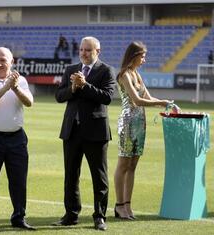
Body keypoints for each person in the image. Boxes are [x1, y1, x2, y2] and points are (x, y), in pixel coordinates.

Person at [53, 36, 116, 231]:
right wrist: (73, 87)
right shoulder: (71, 69)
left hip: (96, 132)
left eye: (88, 50)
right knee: (71, 175)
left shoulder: (106, 70)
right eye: (81, 49)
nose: (83, 53)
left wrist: (85, 85)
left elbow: (107, 97)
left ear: (98, 51)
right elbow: (59, 96)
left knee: (100, 177)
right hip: (72, 130)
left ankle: (99, 216)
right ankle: (71, 215)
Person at [0, 47, 35, 231]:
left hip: (17, 137)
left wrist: (15, 86)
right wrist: (6, 87)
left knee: (18, 180)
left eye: (3, 60)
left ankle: (19, 217)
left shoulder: (21, 80)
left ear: (12, 62)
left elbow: (29, 102)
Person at [114, 41, 171, 220]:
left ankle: (128, 207)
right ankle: (119, 206)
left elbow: (147, 96)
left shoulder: (136, 74)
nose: (144, 60)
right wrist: (160, 102)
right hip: (128, 123)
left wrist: (164, 102)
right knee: (123, 165)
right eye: (142, 56)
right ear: (134, 56)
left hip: (140, 123)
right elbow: (137, 100)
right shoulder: (124, 75)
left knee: (132, 166)